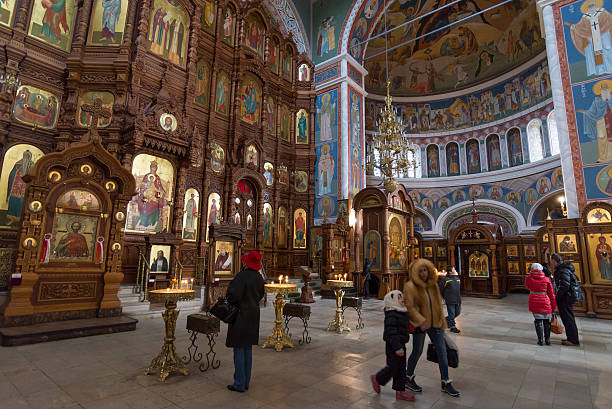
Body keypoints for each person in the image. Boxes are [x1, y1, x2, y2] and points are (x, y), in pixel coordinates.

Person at [404, 259, 460, 397]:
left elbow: (437, 304)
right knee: (417, 351)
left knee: (442, 351)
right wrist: (421, 321)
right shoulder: (411, 287)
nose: (423, 273)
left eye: (425, 270)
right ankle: (408, 377)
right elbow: (410, 307)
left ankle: (446, 381)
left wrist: (442, 321)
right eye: (420, 271)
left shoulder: (432, 285)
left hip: (435, 324)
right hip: (421, 325)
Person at [226, 251, 265, 392]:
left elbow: (232, 295)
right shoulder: (259, 278)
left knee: (238, 348)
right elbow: (260, 295)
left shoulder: (242, 276)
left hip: (241, 315)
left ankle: (239, 384)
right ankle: (246, 382)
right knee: (247, 348)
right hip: (253, 315)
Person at [370, 290, 414, 402]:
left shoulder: (401, 312)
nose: (402, 299)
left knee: (401, 369)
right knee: (393, 367)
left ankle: (400, 391)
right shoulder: (392, 314)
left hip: (400, 344)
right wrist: (397, 347)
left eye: (401, 297)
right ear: (391, 301)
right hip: (393, 346)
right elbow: (391, 332)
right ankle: (377, 378)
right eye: (399, 298)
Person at [551, 253, 580, 346]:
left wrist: (557, 296)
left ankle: (573, 340)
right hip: (566, 297)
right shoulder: (562, 268)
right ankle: (570, 338)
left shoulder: (562, 270)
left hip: (566, 297)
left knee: (568, 318)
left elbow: (564, 285)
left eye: (551, 260)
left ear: (554, 260)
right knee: (567, 318)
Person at [525, 263, 558, 346]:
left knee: (538, 321)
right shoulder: (547, 279)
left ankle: (540, 340)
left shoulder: (528, 278)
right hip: (545, 301)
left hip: (534, 300)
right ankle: (547, 340)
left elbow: (527, 286)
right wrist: (554, 306)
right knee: (547, 321)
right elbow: (551, 294)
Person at [442, 266, 461, 334]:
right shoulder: (446, 279)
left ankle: (444, 321)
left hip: (458, 299)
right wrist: (444, 297)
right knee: (452, 313)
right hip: (450, 299)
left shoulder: (457, 278)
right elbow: (441, 289)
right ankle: (452, 327)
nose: (455, 270)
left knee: (457, 313)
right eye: (454, 269)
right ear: (450, 272)